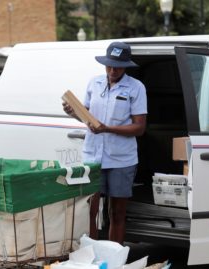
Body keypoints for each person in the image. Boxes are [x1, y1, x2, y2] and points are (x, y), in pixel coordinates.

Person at [63, 42, 147, 244]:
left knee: (116, 213)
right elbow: (87, 117)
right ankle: (92, 257)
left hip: (121, 159)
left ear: (126, 65)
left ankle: (113, 258)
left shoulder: (136, 88)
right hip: (92, 157)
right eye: (109, 65)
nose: (112, 70)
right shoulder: (94, 83)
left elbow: (139, 128)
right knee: (89, 211)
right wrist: (73, 113)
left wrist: (107, 128)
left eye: (117, 66)